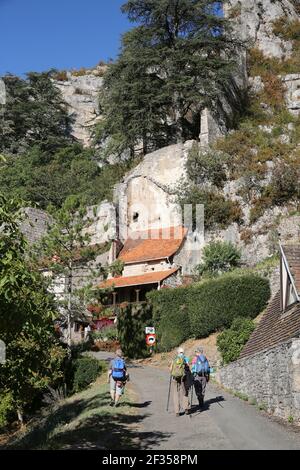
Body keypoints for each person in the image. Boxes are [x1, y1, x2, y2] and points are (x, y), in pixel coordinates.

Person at [169, 347, 192, 417]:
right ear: (183, 352)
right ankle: (186, 408)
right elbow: (188, 368)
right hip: (183, 377)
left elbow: (170, 369)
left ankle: (177, 412)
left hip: (175, 378)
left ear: (177, 352)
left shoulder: (174, 359)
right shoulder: (185, 359)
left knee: (176, 394)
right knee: (185, 392)